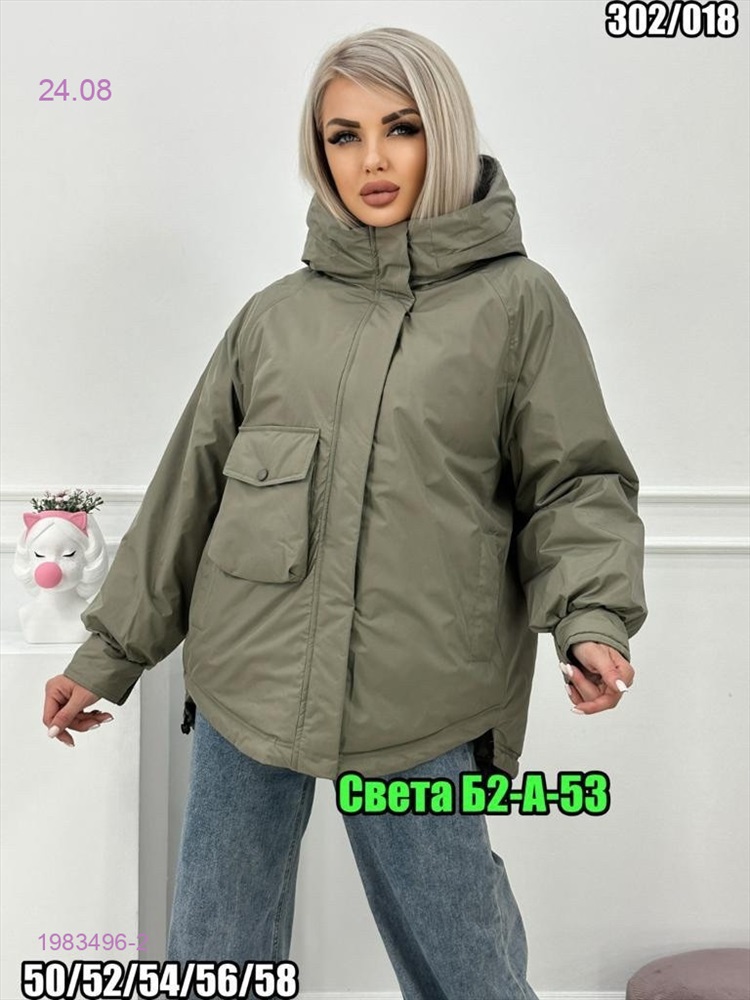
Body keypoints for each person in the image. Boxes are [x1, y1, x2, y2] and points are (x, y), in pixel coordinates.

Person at [42, 26, 648, 1000]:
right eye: (343, 135)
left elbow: (574, 485)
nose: (371, 160)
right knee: (215, 950)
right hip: (246, 682)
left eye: (400, 128)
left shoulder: (519, 306)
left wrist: (592, 618)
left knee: (464, 955)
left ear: (443, 133)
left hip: (424, 694)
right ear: (317, 151)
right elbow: (188, 493)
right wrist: (106, 654)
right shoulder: (274, 317)